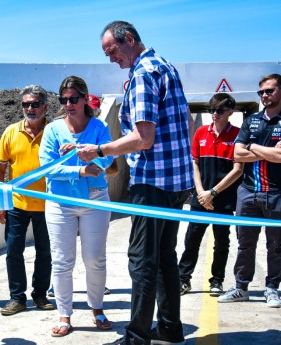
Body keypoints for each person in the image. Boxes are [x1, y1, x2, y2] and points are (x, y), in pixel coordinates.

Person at [78, 20, 194, 345]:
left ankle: (136, 337)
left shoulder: (143, 73)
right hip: (174, 181)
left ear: (129, 39)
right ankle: (170, 328)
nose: (111, 59)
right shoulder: (164, 66)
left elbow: (143, 138)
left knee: (142, 259)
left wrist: (100, 149)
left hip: (153, 182)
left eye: (112, 50)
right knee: (164, 257)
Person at [217, 73, 281, 308]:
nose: (265, 95)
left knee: (276, 244)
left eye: (270, 91)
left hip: (279, 193)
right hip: (248, 192)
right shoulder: (252, 120)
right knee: (245, 243)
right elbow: (237, 154)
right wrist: (268, 150)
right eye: (262, 92)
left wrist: (253, 147)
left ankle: (272, 288)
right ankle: (241, 287)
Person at [38, 76, 114, 337]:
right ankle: (64, 314)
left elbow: (107, 159)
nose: (68, 104)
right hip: (61, 203)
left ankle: (97, 309)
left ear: (84, 99)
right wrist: (80, 168)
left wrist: (81, 151)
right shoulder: (52, 130)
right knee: (61, 261)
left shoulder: (100, 126)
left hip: (95, 200)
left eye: (73, 99)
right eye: (63, 100)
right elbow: (48, 168)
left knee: (95, 259)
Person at [0, 84, 55, 316]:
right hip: (17, 205)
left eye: (35, 104)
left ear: (46, 106)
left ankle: (40, 295)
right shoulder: (10, 132)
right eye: (26, 104)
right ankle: (16, 298)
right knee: (13, 252)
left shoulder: (54, 131)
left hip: (48, 205)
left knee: (45, 252)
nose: (30, 108)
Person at [178, 93, 242, 297]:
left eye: (220, 110)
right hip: (200, 200)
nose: (215, 114)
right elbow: (194, 163)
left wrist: (213, 193)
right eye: (212, 110)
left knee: (221, 243)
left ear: (230, 112)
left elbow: (237, 169)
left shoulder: (239, 135)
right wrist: (200, 193)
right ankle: (183, 279)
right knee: (191, 241)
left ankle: (217, 281)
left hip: (223, 201)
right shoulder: (200, 133)